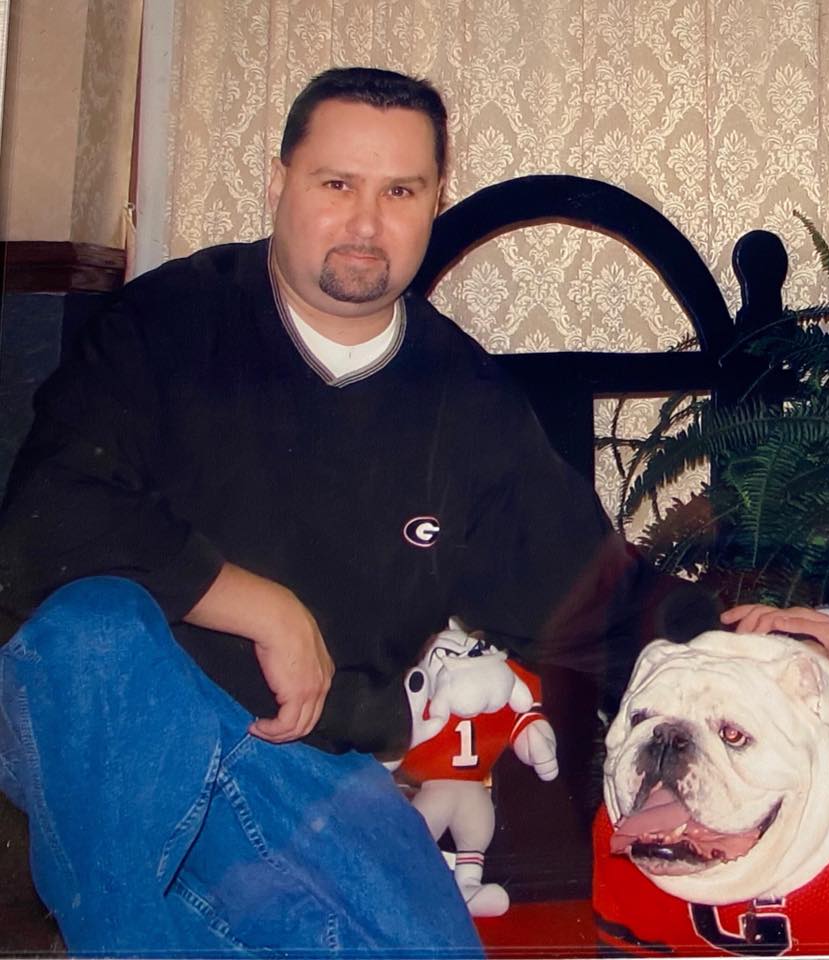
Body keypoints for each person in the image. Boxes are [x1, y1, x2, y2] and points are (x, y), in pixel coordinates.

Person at [0, 67, 715, 956]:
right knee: (96, 627)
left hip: (312, 765)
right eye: (336, 184)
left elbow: (596, 601)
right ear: (278, 183)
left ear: (435, 200)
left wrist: (776, 649)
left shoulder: (465, 404)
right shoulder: (168, 321)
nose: (367, 224)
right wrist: (256, 604)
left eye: (400, 191)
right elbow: (43, 521)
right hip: (124, 732)